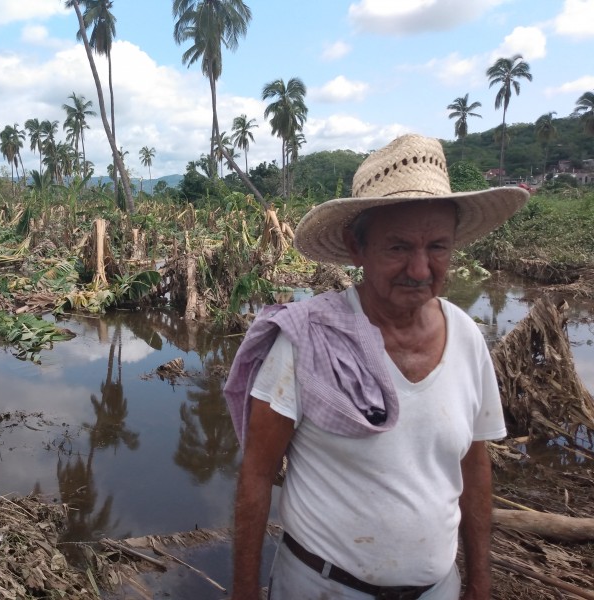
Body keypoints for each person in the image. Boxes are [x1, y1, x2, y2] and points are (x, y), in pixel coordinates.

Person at [225, 134, 529, 600]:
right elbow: (258, 474)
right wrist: (244, 592)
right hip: (322, 589)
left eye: (439, 247)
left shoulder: (467, 338)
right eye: (398, 248)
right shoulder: (307, 340)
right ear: (356, 247)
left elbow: (474, 466)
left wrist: (480, 583)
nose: (422, 269)